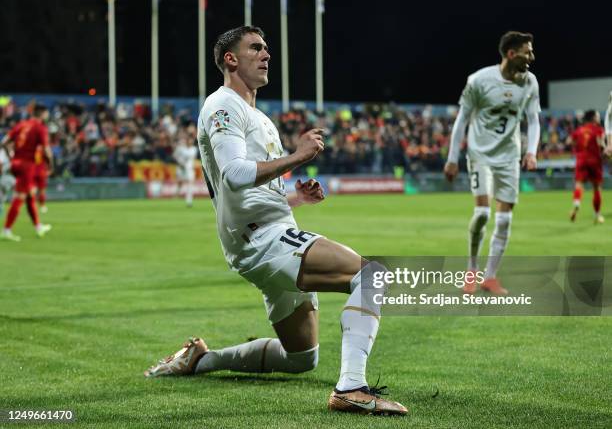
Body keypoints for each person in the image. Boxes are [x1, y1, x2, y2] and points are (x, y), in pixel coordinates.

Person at [144, 26, 407, 416]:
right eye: (255, 48)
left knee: (301, 358)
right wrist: (299, 156)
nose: (266, 54)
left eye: (267, 48)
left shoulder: (260, 119)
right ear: (230, 59)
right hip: (261, 240)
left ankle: (200, 359)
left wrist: (296, 196)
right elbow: (234, 174)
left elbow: (253, 192)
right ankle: (352, 388)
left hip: (269, 234)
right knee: (372, 275)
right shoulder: (222, 105)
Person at [444, 31, 541, 295]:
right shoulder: (479, 80)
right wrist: (452, 158)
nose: (531, 56)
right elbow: (462, 120)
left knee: (505, 220)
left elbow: (533, 120)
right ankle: (472, 270)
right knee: (483, 213)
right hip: (480, 154)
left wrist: (530, 152)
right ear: (511, 54)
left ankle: (490, 277)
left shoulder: (530, 82)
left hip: (509, 156)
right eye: (527, 52)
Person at [0, 104, 53, 241]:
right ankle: (6, 230)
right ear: (42, 114)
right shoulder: (40, 128)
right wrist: (51, 165)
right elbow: (47, 150)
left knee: (30, 195)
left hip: (15, 163)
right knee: (20, 196)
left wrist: (12, 157)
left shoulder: (21, 125)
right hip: (27, 165)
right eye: (46, 114)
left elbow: (4, 142)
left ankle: (38, 227)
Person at [569, 110, 606, 224]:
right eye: (598, 116)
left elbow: (569, 141)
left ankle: (576, 203)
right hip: (595, 160)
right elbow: (600, 143)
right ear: (593, 118)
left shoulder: (580, 130)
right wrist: (605, 150)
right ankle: (597, 215)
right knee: (596, 187)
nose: (599, 118)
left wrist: (578, 148)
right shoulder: (598, 129)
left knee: (579, 184)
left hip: (581, 160)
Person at [173, 137, 199, 207]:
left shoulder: (194, 149)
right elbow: (175, 156)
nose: (190, 142)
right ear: (186, 141)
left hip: (189, 169)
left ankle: (189, 201)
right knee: (179, 183)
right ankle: (175, 196)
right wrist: (179, 163)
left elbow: (192, 159)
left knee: (190, 183)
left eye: (191, 141)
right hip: (181, 168)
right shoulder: (180, 148)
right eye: (189, 141)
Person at [33, 145, 50, 213]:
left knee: (32, 190)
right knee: (42, 190)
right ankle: (42, 206)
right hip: (41, 172)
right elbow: (48, 157)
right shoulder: (43, 147)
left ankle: (33, 206)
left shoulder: (31, 147)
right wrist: (49, 167)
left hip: (32, 171)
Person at [0, 145, 15, 215]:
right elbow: (1, 164)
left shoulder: (11, 152)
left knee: (3, 195)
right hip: (5, 176)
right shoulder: (2, 152)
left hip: (10, 176)